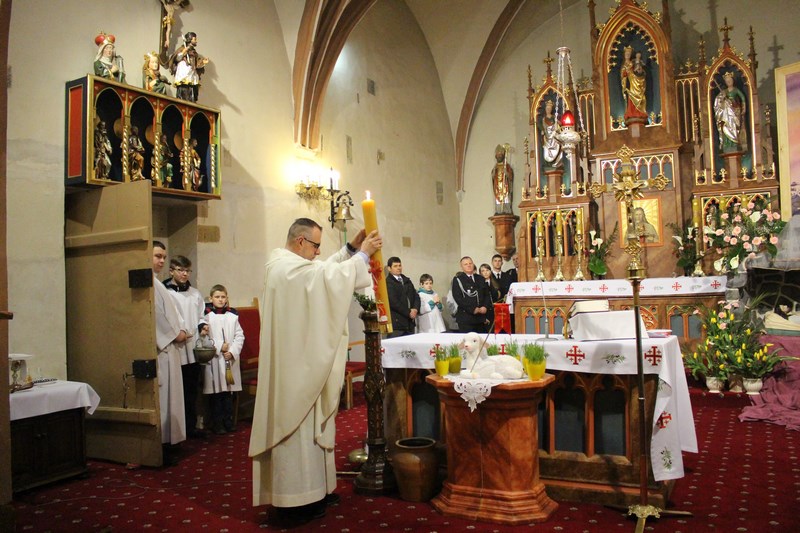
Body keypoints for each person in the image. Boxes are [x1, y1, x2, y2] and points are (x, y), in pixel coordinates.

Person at [249, 219, 382, 524]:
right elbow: (322, 278)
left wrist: (350, 249)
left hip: (302, 361)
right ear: (300, 241)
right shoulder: (284, 269)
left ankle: (316, 491)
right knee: (295, 432)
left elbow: (322, 273)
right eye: (316, 246)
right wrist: (363, 255)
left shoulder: (291, 267)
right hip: (294, 370)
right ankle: (293, 503)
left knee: (311, 431)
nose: (318, 252)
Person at [152, 241, 188, 465]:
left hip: (171, 348)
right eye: (158, 256)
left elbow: (173, 313)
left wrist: (181, 329)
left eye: (164, 257)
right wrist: (176, 334)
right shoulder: (149, 284)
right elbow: (155, 315)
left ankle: (170, 441)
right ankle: (161, 444)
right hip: (163, 349)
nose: (162, 261)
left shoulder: (157, 283)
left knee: (172, 397)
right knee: (164, 398)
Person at [163, 255, 206, 439]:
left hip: (192, 348)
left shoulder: (195, 293)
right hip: (175, 348)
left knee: (191, 390)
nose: (184, 274)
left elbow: (201, 315)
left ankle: (190, 426)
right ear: (171, 271)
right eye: (180, 270)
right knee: (175, 392)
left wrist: (203, 326)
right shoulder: (165, 292)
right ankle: (175, 430)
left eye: (187, 270)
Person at [199, 284, 245, 435]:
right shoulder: (206, 317)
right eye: (217, 297)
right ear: (211, 298)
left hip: (229, 359)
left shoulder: (233, 316)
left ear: (227, 298)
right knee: (217, 393)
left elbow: (240, 336)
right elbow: (204, 338)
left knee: (228, 393)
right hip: (215, 359)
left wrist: (232, 351)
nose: (220, 300)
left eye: (223, 297)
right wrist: (219, 346)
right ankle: (217, 423)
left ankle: (228, 421)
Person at [451, 256, 493, 333]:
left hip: (481, 318)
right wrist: (473, 309)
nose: (469, 265)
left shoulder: (480, 278)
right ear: (461, 266)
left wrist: (485, 306)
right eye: (466, 264)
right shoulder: (458, 279)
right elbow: (458, 298)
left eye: (470, 263)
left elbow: (487, 295)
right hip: (466, 318)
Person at [169, 31, 209, 102]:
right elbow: (177, 59)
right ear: (190, 39)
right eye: (195, 39)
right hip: (184, 74)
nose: (196, 41)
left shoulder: (194, 52)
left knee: (192, 95)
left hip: (192, 75)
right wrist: (184, 51)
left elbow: (195, 65)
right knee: (183, 93)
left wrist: (203, 63)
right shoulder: (182, 48)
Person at [385, 256, 420, 338]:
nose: (399, 268)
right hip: (397, 324)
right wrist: (408, 312)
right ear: (389, 268)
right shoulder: (388, 282)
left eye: (400, 265)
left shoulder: (406, 280)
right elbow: (393, 302)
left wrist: (415, 309)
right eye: (395, 266)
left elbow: (416, 296)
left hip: (410, 323)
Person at [714, 71, 747, 153]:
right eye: (727, 81)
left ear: (733, 81)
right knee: (725, 126)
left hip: (734, 111)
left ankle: (734, 143)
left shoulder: (735, 90)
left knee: (734, 127)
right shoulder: (724, 91)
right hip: (726, 114)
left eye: (730, 80)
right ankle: (727, 143)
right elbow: (718, 101)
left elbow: (742, 98)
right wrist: (722, 98)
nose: (729, 82)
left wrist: (744, 108)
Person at [620, 45, 647, 122]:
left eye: (629, 53)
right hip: (629, 83)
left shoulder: (633, 62)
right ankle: (631, 113)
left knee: (640, 95)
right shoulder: (624, 65)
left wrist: (639, 71)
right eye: (626, 53)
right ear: (624, 55)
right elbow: (622, 75)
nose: (628, 55)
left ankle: (639, 112)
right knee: (630, 97)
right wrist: (626, 73)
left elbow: (639, 70)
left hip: (635, 81)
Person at [539, 99, 563, 170]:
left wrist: (557, 121)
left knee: (558, 145)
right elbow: (540, 125)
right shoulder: (543, 119)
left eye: (549, 109)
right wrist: (542, 130)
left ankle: (557, 162)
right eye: (547, 109)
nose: (548, 110)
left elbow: (560, 124)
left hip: (554, 136)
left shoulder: (554, 117)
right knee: (546, 149)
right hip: (547, 137)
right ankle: (548, 164)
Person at [491, 144, 513, 214]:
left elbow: (510, 176)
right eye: (498, 155)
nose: (499, 156)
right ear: (496, 156)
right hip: (497, 187)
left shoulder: (506, 166)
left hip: (505, 186)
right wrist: (493, 173)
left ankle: (506, 210)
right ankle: (499, 210)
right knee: (498, 199)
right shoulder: (495, 167)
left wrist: (506, 173)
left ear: (503, 156)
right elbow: (493, 176)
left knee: (506, 198)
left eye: (500, 155)